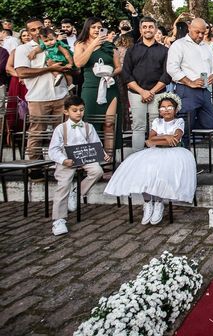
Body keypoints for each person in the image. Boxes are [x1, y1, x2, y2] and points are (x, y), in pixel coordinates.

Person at [104, 93, 197, 225]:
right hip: (154, 151)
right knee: (143, 171)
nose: (166, 110)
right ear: (159, 110)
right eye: (163, 107)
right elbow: (149, 141)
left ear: (176, 110)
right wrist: (166, 137)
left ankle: (159, 203)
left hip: (174, 153)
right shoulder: (156, 122)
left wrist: (161, 138)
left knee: (160, 172)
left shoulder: (179, 122)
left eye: (170, 107)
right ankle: (147, 203)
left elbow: (175, 140)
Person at [48, 95, 107, 236]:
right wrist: (63, 160)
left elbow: (96, 144)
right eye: (75, 110)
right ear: (66, 112)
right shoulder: (60, 129)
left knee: (97, 171)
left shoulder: (88, 127)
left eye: (81, 110)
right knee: (63, 185)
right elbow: (53, 150)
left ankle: (77, 192)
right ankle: (59, 219)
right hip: (67, 159)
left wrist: (103, 153)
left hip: (85, 157)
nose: (79, 113)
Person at [14, 18, 69, 160]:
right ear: (28, 32)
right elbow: (22, 72)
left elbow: (71, 65)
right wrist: (49, 68)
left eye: (39, 28)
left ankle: (65, 164)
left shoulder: (57, 44)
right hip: (38, 96)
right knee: (37, 133)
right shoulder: (24, 49)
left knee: (65, 132)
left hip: (61, 94)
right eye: (33, 30)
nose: (37, 32)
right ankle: (35, 170)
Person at [166, 17, 213, 146]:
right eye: (197, 32)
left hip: (205, 90)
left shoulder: (206, 47)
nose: (200, 35)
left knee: (209, 123)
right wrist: (189, 82)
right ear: (189, 28)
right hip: (186, 90)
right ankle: (182, 153)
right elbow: (172, 68)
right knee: (185, 125)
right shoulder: (179, 45)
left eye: (203, 32)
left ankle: (176, 131)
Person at [122, 17, 171, 152]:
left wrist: (152, 92)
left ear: (155, 29)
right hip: (136, 94)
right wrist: (142, 92)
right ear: (140, 30)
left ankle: (155, 157)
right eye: (145, 27)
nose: (148, 29)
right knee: (138, 126)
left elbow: (167, 75)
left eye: (150, 27)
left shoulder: (164, 51)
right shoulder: (132, 50)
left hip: (158, 93)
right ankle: (137, 159)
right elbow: (126, 74)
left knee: (156, 125)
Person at [73, 17, 121, 154]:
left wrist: (110, 74)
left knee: (109, 123)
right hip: (90, 88)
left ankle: (108, 159)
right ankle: (92, 158)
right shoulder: (80, 44)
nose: (96, 30)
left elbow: (119, 67)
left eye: (99, 28)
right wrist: (93, 45)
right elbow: (79, 63)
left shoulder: (110, 46)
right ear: (87, 28)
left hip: (109, 86)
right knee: (90, 124)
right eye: (93, 27)